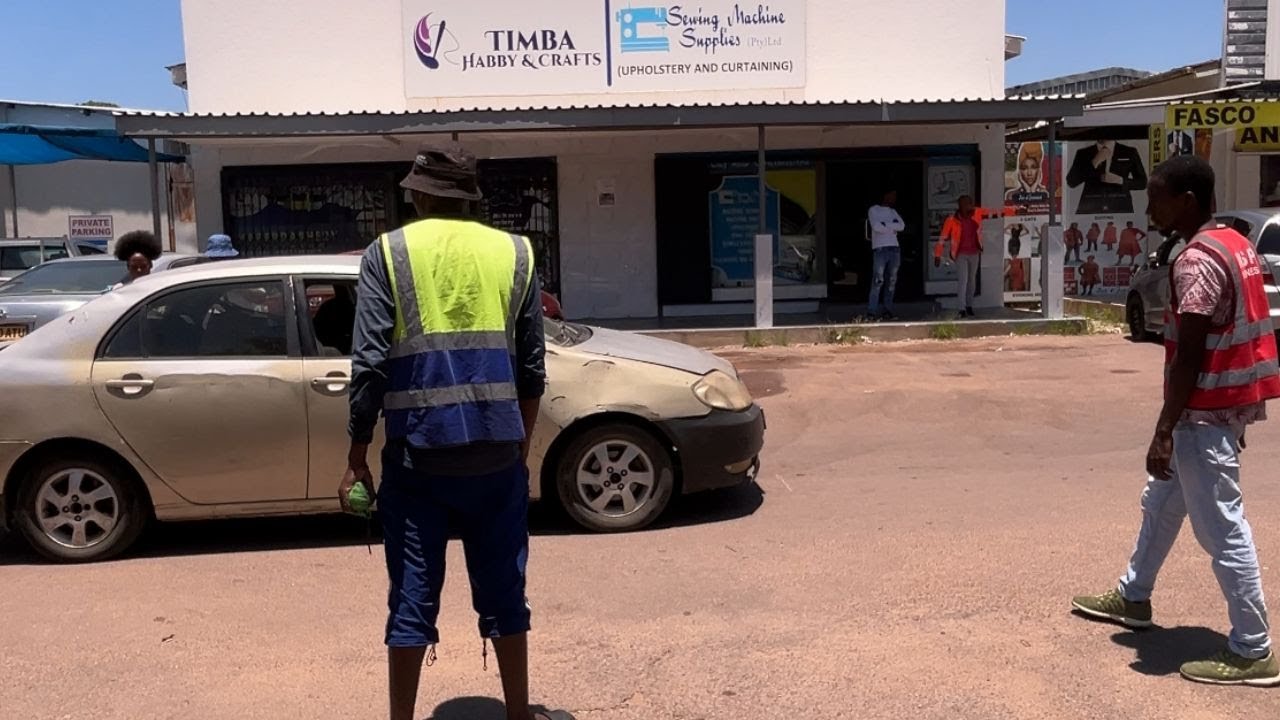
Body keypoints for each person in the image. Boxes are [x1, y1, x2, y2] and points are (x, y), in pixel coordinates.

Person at [339, 143, 572, 720]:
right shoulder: (516, 252)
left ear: (418, 194)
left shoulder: (388, 253)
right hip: (496, 460)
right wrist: (519, 447)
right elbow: (532, 365)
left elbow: (368, 364)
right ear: (467, 200)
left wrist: (356, 455)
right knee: (504, 593)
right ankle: (519, 713)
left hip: (420, 459)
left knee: (412, 599)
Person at [1071, 155, 1280, 687]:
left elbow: (1189, 352)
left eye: (1157, 196)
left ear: (1187, 200)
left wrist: (1164, 429)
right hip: (1222, 406)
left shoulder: (1196, 260)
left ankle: (1253, 648)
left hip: (1202, 413)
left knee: (1222, 528)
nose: (1149, 206)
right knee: (1160, 504)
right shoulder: (1237, 244)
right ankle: (1134, 596)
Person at [935, 196, 1009, 318]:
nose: (969, 206)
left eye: (970, 203)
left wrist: (1016, 210)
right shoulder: (952, 220)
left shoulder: (977, 214)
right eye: (966, 203)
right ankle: (961, 308)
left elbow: (996, 211)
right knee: (963, 281)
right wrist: (937, 254)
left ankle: (969, 306)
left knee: (971, 281)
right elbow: (943, 238)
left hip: (974, 253)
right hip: (960, 254)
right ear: (960, 205)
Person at [1066, 140, 1148, 215]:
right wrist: (1094, 162)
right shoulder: (1083, 153)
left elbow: (1142, 183)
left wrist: (1120, 180)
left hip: (1120, 209)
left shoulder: (1129, 152)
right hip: (1089, 209)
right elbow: (1071, 182)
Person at [866, 190, 905, 320]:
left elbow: (902, 226)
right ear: (885, 195)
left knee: (891, 281)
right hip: (880, 249)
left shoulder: (893, 212)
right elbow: (876, 227)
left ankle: (887, 310)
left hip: (894, 249)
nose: (894, 198)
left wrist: (886, 225)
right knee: (878, 280)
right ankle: (871, 311)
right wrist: (892, 227)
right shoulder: (874, 210)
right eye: (892, 195)